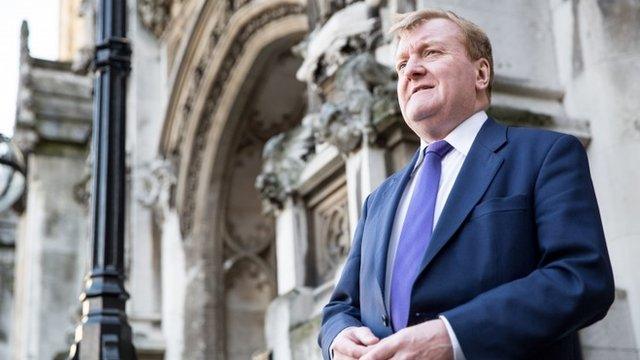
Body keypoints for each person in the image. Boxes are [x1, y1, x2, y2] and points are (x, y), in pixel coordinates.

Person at [318, 9, 614, 360]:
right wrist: (340, 337)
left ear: (481, 73)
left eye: (431, 53)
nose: (411, 70)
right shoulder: (377, 201)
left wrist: (454, 335)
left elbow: (580, 279)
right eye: (400, 64)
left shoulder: (545, 155)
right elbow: (341, 306)